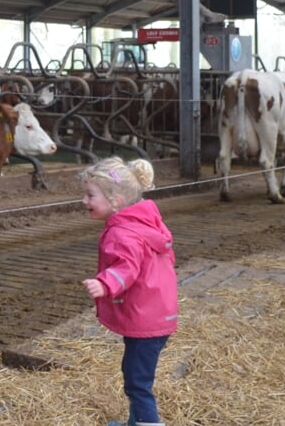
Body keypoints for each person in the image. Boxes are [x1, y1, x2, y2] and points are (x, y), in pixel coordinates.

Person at [80, 157, 178, 426]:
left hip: (145, 316)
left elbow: (126, 267)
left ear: (116, 200)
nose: (84, 201)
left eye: (90, 195)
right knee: (136, 375)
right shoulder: (146, 222)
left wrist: (105, 284)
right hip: (157, 312)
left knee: (137, 384)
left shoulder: (122, 233)